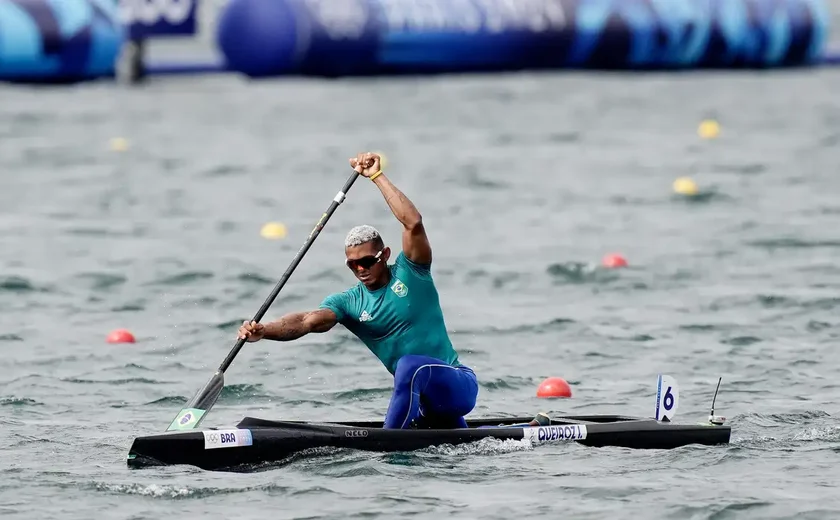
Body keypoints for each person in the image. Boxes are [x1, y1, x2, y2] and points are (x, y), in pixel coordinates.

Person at [238, 152, 548, 430]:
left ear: (385, 255)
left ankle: (387, 442)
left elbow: (413, 223)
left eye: (367, 261)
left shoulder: (412, 271)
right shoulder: (349, 302)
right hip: (426, 401)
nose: (360, 269)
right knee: (461, 441)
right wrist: (264, 330)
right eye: (352, 264)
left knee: (409, 365)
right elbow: (306, 321)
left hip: (457, 385)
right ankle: (528, 430)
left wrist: (376, 176)